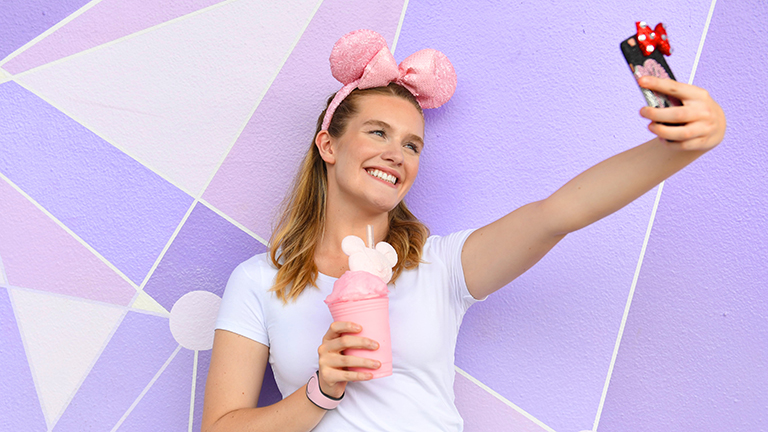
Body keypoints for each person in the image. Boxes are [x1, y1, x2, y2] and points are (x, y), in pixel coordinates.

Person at [201, 29, 726, 432]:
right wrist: (322, 390)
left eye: (411, 144)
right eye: (378, 132)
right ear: (328, 145)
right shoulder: (258, 282)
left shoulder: (441, 266)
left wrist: (679, 149)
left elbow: (558, 213)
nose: (396, 153)